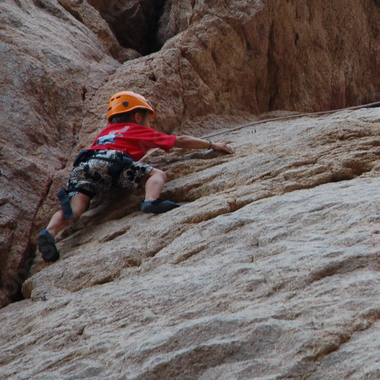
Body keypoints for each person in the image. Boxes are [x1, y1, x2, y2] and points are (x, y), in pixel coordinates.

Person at [36, 91, 233, 262]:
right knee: (156, 174)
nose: (149, 124)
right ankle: (151, 201)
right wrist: (210, 144)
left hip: (84, 165)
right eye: (148, 119)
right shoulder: (138, 130)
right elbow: (178, 141)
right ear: (138, 117)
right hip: (113, 162)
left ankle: (50, 232)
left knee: (75, 209)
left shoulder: (105, 133)